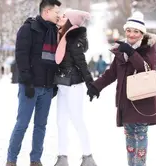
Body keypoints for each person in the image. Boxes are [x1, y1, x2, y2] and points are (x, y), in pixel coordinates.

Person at [87, 12, 156, 166]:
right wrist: (96, 86)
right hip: (125, 102)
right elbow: (111, 73)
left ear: (142, 33)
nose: (131, 34)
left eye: (136, 31)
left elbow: (146, 68)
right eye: (129, 30)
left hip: (142, 103)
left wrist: (131, 52)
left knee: (140, 137)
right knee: (129, 142)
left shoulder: (148, 48)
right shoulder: (121, 50)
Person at [5, 0, 61, 166]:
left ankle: (35, 160)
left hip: (47, 87)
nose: (59, 15)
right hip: (30, 86)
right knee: (22, 124)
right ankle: (11, 160)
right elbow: (21, 56)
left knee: (41, 126)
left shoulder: (56, 32)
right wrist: (27, 82)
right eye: (56, 12)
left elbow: (56, 60)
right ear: (47, 12)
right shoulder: (28, 29)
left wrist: (54, 83)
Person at [53, 9, 97, 166]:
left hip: (73, 85)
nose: (61, 17)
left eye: (65, 16)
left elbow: (81, 63)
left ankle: (88, 157)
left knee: (77, 120)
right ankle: (62, 157)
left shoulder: (74, 38)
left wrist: (90, 84)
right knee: (61, 121)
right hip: (62, 84)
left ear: (71, 21)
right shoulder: (61, 34)